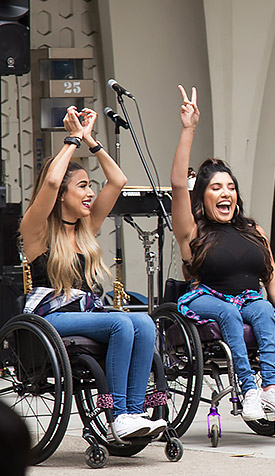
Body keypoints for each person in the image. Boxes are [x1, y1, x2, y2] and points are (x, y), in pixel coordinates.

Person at [19, 106, 167, 439]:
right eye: (83, 186)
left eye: (90, 187)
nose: (90, 193)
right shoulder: (37, 230)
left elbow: (118, 180)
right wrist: (71, 139)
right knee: (119, 322)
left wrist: (91, 140)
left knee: (143, 321)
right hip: (49, 317)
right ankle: (117, 414)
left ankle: (132, 411)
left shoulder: (87, 227)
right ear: (61, 196)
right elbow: (53, 179)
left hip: (86, 312)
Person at [170, 85, 275, 421]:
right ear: (203, 196)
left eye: (230, 187)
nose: (225, 192)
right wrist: (188, 129)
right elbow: (175, 185)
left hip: (247, 299)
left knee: (262, 310)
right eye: (216, 187)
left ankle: (271, 389)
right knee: (229, 313)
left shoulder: (253, 232)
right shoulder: (193, 231)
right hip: (205, 297)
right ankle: (248, 390)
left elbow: (274, 283)